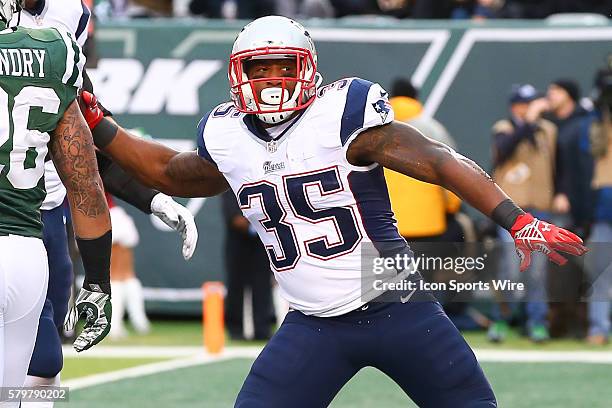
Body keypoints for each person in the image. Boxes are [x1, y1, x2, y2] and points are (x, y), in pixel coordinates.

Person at [80, 16, 587, 407]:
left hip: (399, 310)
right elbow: (168, 171)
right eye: (261, 68)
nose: (273, 79)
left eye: (285, 66)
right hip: (315, 324)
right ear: (239, 74)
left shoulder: (343, 113)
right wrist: (96, 118)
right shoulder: (227, 134)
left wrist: (517, 220)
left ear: (308, 69)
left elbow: (439, 162)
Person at [14, 0, 198, 402]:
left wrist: (152, 198)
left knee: (44, 368)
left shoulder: (68, 18)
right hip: (12, 215)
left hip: (47, 216)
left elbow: (83, 145)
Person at [0, 1, 112, 403]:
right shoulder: (55, 51)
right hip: (27, 252)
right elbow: (87, 182)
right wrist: (98, 281)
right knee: (13, 395)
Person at [489, 84, 558, 342]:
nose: (529, 108)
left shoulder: (548, 131)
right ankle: (501, 320)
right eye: (524, 104)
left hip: (540, 209)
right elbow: (503, 152)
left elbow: (556, 167)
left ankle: (537, 322)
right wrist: (527, 123)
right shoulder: (503, 128)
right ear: (514, 106)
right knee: (511, 268)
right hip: (511, 210)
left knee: (537, 270)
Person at [222, 190, 274, 340]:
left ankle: (262, 329)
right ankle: (235, 330)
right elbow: (233, 217)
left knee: (262, 286)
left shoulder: (261, 182)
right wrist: (254, 226)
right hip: (237, 242)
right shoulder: (229, 185)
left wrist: (260, 226)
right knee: (236, 285)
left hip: (262, 241)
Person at [585, 67, 612, 345]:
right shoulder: (598, 122)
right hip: (605, 207)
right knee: (600, 271)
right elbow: (592, 145)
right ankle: (598, 327)